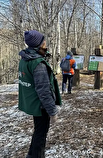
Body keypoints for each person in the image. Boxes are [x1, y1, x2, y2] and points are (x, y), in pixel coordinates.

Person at [18, 30, 61, 158]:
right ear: (39, 44)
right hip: (40, 105)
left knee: (38, 132)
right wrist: (52, 112)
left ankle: (31, 155)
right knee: (41, 135)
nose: (45, 43)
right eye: (43, 41)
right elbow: (43, 90)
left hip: (33, 102)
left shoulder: (25, 59)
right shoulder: (38, 64)